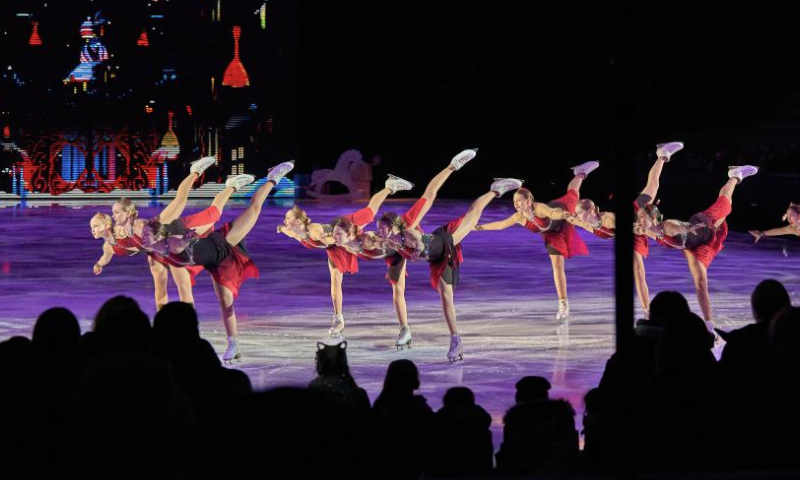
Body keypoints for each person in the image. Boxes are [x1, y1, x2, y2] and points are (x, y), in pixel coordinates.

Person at [140, 160, 295, 362]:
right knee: (226, 302)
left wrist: (188, 236)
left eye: (145, 236)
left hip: (224, 241)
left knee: (254, 208)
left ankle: (273, 177)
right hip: (216, 263)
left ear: (158, 237)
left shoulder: (172, 243)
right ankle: (234, 344)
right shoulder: (158, 253)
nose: (142, 238)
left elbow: (181, 243)